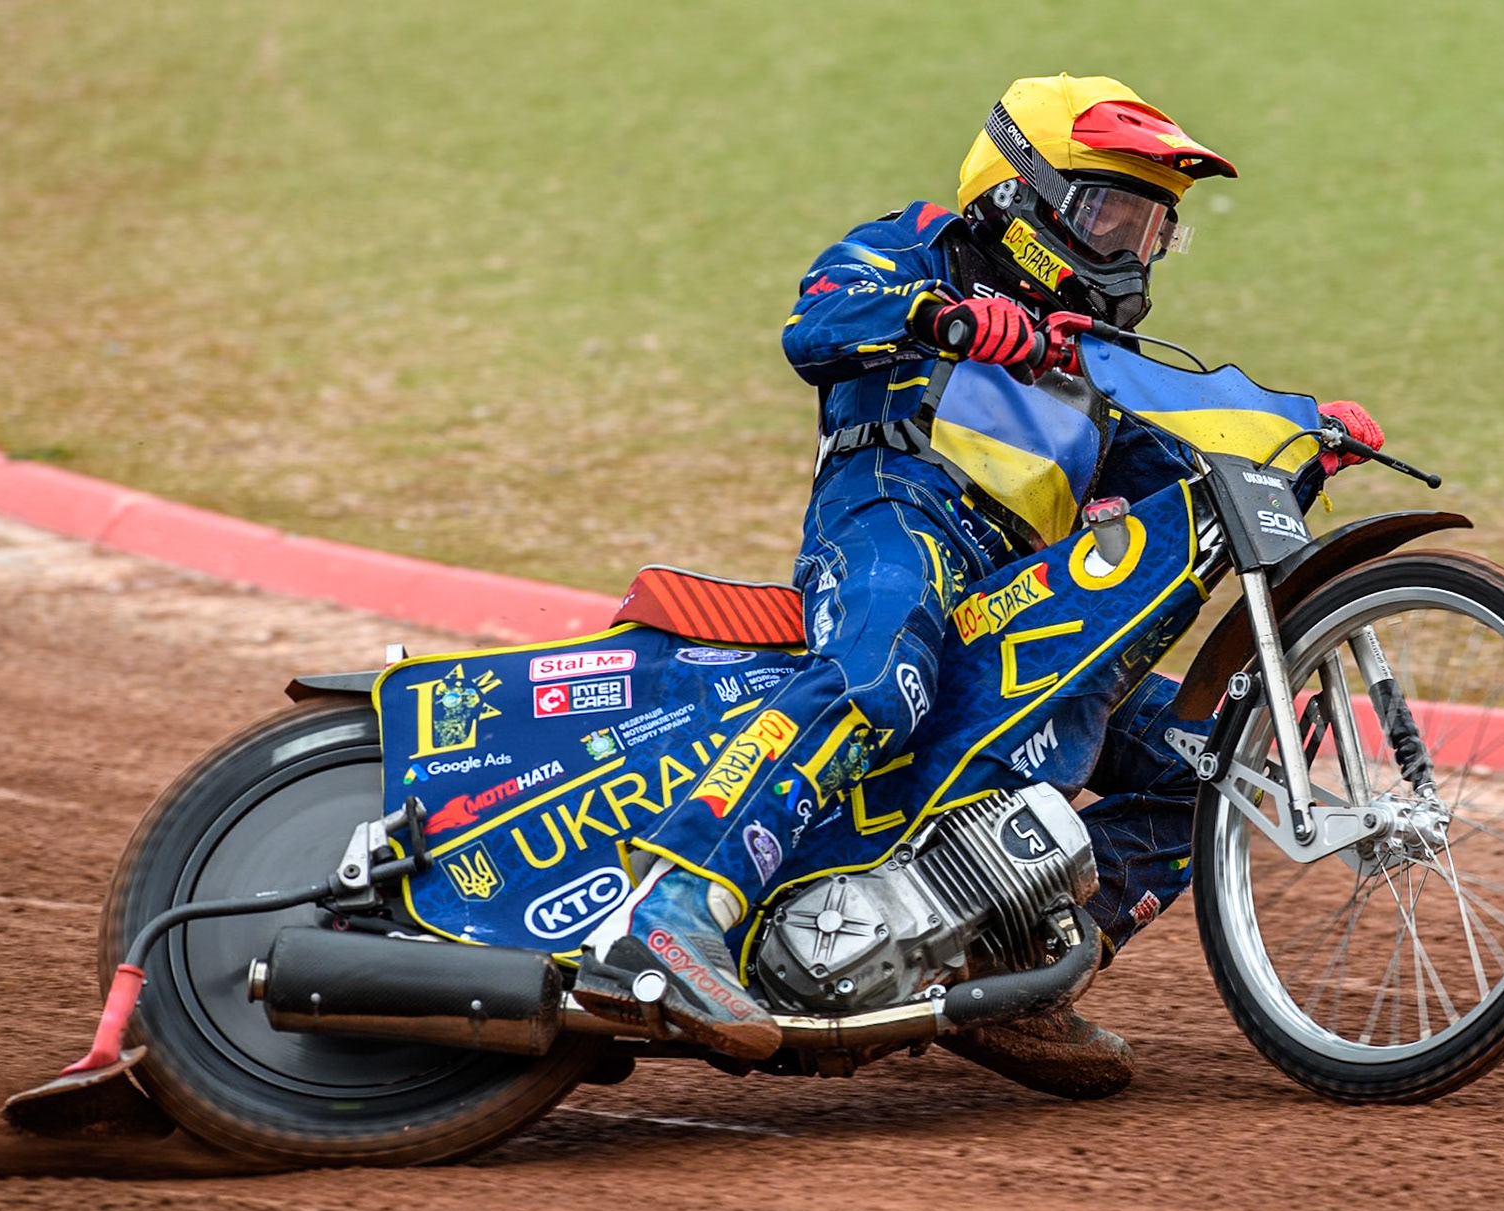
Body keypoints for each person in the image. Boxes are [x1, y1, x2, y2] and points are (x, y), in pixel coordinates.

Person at [576, 73, 1384, 1096]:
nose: (1131, 249)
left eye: (1150, 229)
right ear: (1019, 189)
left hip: (1010, 599)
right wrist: (952, 321)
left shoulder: (1101, 364)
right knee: (884, 671)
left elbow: (1172, 477)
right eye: (1110, 213)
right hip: (894, 512)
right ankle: (675, 912)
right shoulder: (918, 244)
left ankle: (1013, 962)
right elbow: (816, 324)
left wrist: (1295, 449)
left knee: (1209, 763)